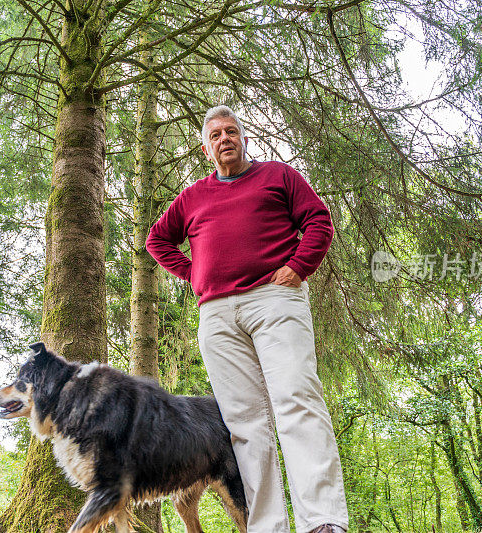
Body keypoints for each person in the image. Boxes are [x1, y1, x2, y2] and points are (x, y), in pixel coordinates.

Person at [146, 105, 349, 533]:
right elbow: (158, 240)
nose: (225, 139)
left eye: (231, 131)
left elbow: (318, 220)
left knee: (297, 401)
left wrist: (299, 265)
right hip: (217, 315)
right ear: (206, 149)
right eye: (216, 135)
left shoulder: (279, 176)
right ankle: (267, 526)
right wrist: (194, 273)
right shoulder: (192, 197)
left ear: (243, 138)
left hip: (274, 299)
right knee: (244, 424)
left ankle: (323, 522)